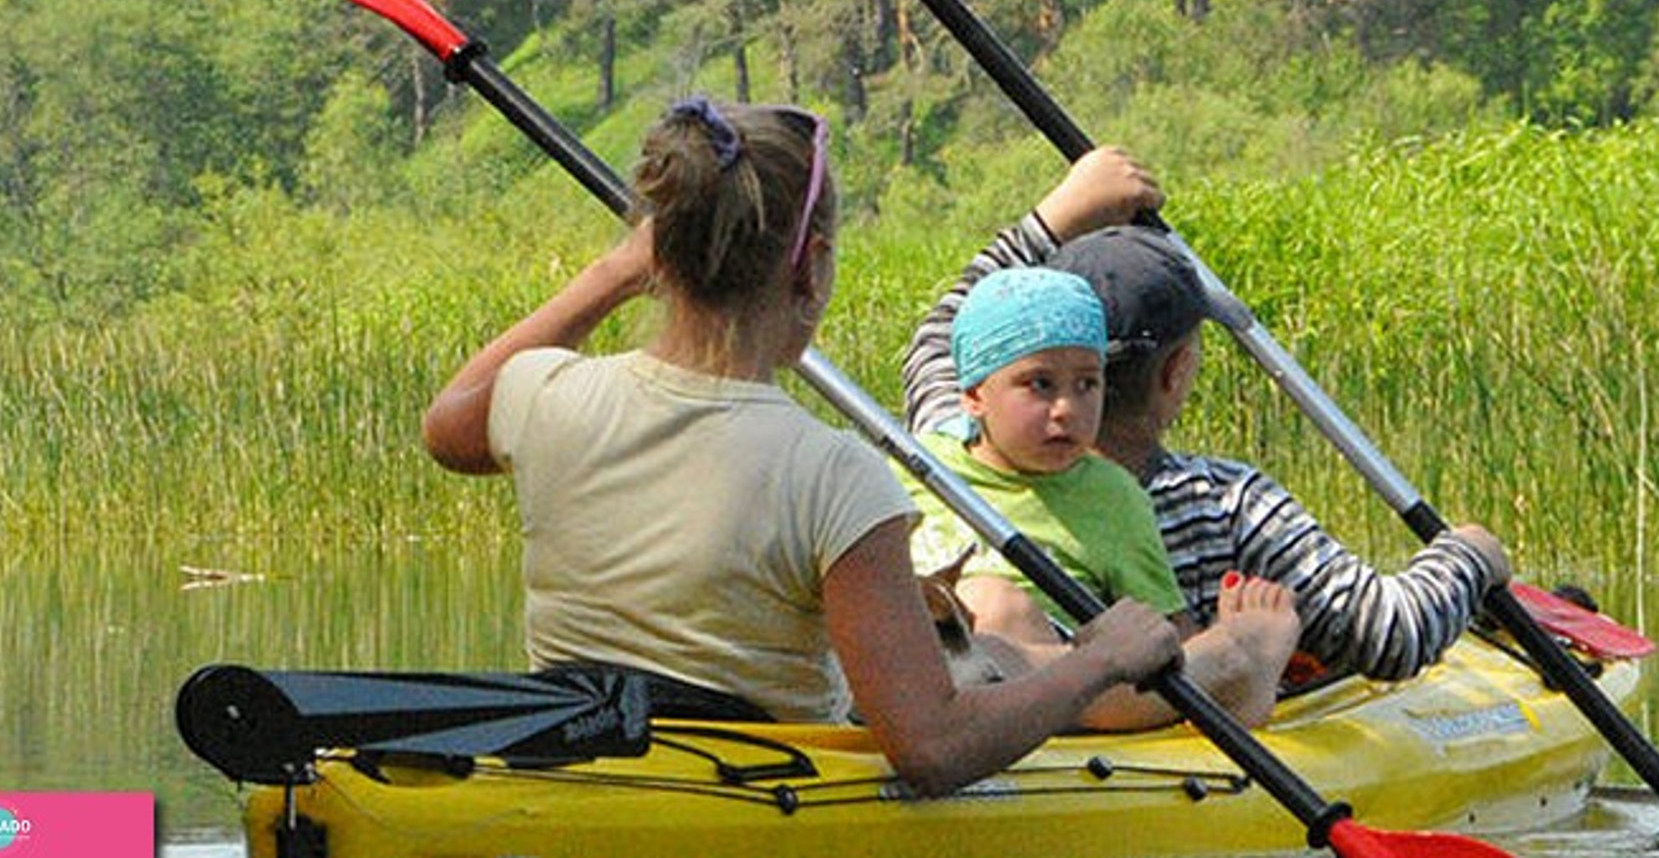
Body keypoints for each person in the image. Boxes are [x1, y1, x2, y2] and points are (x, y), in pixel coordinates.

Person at [421, 97, 1182, 797]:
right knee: (1030, 655)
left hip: (588, 782)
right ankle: (1236, 655)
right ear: (813, 267)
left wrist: (615, 272)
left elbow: (446, 424)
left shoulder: (546, 394)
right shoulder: (836, 473)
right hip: (755, 799)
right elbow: (931, 746)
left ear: (662, 253)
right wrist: (1098, 661)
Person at [903, 146, 1512, 683]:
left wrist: (1056, 214)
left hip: (1013, 694)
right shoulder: (1226, 504)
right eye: (1042, 383)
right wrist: (1470, 556)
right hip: (1078, 717)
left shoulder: (949, 434)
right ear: (1176, 372)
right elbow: (1389, 634)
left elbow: (939, 332)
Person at [906, 263, 1301, 729]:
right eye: (1040, 384)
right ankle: (1230, 658)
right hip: (926, 667)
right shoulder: (916, 465)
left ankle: (1236, 657)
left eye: (1087, 384)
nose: (1067, 409)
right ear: (974, 396)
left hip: (1060, 684)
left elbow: (1165, 633)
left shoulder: (1112, 496)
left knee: (994, 603)